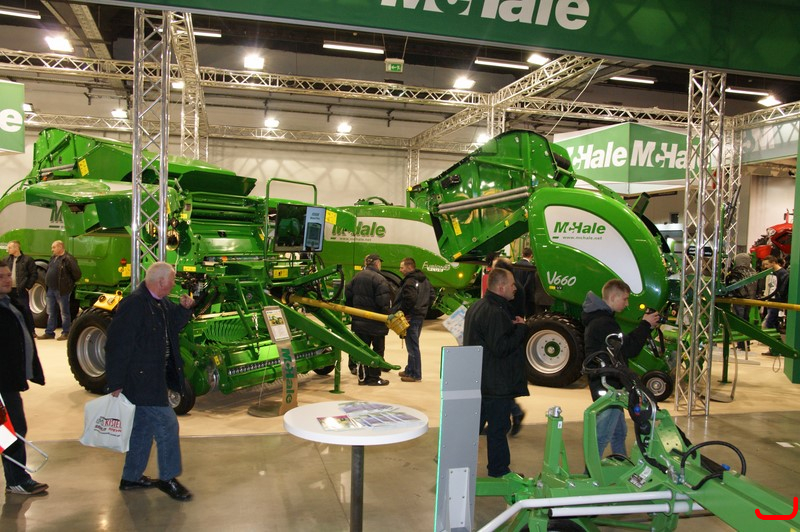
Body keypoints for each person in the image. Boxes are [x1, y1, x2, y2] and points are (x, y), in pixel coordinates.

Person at [105, 262, 196, 501]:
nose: (174, 285)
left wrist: (184, 309)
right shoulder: (134, 305)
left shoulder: (161, 303)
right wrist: (115, 383)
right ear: (161, 281)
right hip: (141, 381)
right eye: (172, 280)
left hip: (155, 378)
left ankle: (131, 477)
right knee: (167, 425)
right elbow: (116, 345)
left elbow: (173, 325)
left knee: (142, 429)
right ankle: (168, 478)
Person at [582, 279, 660, 457]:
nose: (627, 304)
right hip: (608, 386)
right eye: (625, 299)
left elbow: (622, 346)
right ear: (613, 297)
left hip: (609, 383)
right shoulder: (604, 323)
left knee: (619, 432)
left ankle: (622, 463)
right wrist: (645, 325)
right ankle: (591, 471)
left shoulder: (600, 319)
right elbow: (629, 348)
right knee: (602, 435)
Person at [464, 268, 528, 478]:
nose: (515, 288)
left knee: (473, 428)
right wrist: (521, 329)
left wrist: (510, 327)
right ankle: (499, 471)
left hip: (480, 379)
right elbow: (501, 347)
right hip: (496, 384)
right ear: (501, 287)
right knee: (498, 429)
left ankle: (456, 463)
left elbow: (490, 338)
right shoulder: (495, 312)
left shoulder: (478, 306)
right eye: (512, 284)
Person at [0, 260, 48, 495]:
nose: (7, 279)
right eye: (1, 277)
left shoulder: (11, 302)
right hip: (3, 383)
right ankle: (17, 479)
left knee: (10, 430)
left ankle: (15, 478)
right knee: (13, 429)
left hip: (11, 381)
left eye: (8, 275)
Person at [345, 253, 391, 386]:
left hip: (359, 321)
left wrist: (354, 314)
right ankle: (374, 378)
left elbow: (347, 296)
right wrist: (387, 317)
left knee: (362, 350)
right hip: (376, 323)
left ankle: (362, 377)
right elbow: (383, 303)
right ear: (377, 264)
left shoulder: (356, 277)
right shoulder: (380, 279)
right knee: (377, 350)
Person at [492, 257, 526, 435]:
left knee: (501, 385)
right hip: (511, 335)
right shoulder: (516, 286)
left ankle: (514, 413)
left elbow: (511, 313)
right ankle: (513, 412)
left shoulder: (512, 290)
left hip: (509, 337)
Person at [391, 257, 435, 383]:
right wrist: (423, 308)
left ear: (409, 267)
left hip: (411, 317)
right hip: (419, 316)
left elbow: (410, 299)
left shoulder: (410, 281)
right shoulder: (425, 280)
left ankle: (415, 374)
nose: (400, 270)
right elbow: (432, 295)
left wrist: (403, 313)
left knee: (412, 346)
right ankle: (409, 370)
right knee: (412, 344)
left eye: (402, 267)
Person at [39, 240, 81, 341]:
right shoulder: (53, 258)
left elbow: (77, 274)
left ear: (60, 247)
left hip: (62, 290)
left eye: (54, 247)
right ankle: (49, 332)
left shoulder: (68, 259)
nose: (52, 249)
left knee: (64, 312)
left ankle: (66, 332)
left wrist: (68, 285)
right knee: (51, 312)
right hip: (51, 289)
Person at [725, 253, 757, 350]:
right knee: (746, 320)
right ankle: (746, 344)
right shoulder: (753, 271)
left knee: (739, 321)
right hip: (750, 300)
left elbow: (732, 286)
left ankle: (741, 344)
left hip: (739, 299)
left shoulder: (737, 272)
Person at [4, 240, 37, 314]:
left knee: (25, 311)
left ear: (16, 248)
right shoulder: (6, 260)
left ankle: (28, 322)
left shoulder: (27, 260)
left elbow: (33, 274)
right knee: (9, 311)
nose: (7, 250)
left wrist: (28, 286)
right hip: (9, 291)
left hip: (21, 291)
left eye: (10, 248)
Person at [762, 255, 789, 331]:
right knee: (773, 321)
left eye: (767, 264)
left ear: (773, 263)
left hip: (776, 300)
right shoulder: (771, 273)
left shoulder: (784, 274)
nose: (765, 266)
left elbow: (783, 289)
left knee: (769, 322)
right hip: (771, 299)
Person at [513, 247, 535, 317]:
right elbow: (529, 282)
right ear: (531, 255)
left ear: (522, 254)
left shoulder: (515, 265)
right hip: (527, 296)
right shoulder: (531, 267)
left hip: (515, 294)